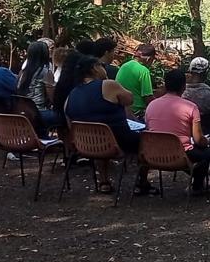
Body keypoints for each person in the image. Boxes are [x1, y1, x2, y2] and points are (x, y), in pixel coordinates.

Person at [65, 55, 152, 195]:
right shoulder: (107, 85)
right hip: (118, 141)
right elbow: (130, 99)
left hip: (85, 145)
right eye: (101, 66)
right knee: (148, 139)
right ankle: (142, 182)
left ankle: (104, 181)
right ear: (94, 68)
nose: (104, 69)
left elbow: (70, 124)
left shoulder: (71, 95)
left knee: (98, 134)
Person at [146, 69, 210, 195]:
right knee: (206, 152)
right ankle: (197, 186)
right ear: (183, 86)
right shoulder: (190, 107)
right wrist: (206, 141)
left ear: (165, 85)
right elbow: (199, 139)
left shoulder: (151, 105)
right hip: (179, 155)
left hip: (153, 154)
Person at [16, 40, 59, 134]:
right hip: (39, 113)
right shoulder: (45, 71)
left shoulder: (22, 72)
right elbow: (53, 98)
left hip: (22, 112)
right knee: (63, 116)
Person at [116, 43, 156, 117]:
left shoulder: (124, 66)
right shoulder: (144, 71)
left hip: (121, 109)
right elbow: (147, 98)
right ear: (149, 59)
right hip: (137, 112)